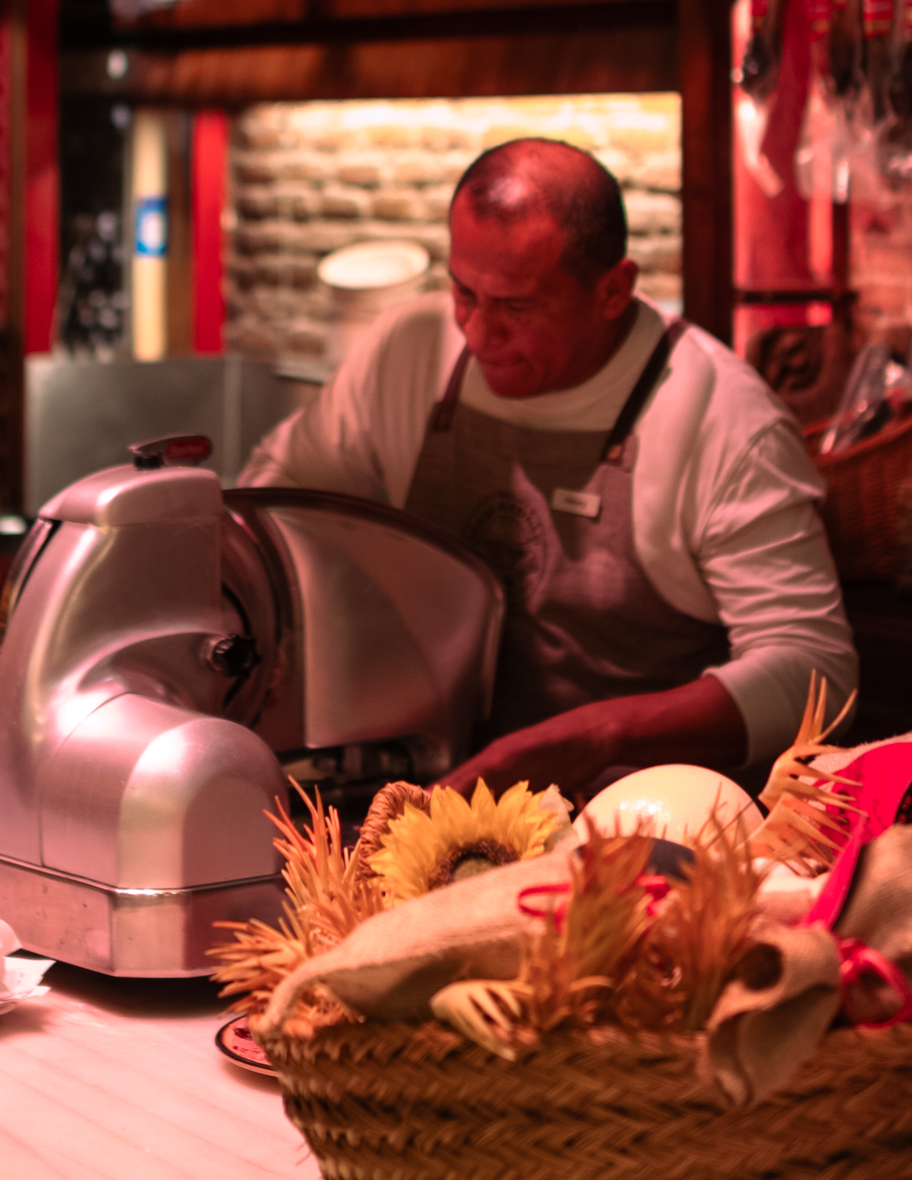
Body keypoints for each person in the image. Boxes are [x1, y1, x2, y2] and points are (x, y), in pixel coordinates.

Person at [242, 138, 856, 800]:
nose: (479, 334)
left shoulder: (722, 419)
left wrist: (601, 736)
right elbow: (268, 506)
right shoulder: (409, 354)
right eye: (464, 292)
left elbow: (814, 672)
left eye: (517, 307)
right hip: (424, 799)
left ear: (613, 290)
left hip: (638, 821)